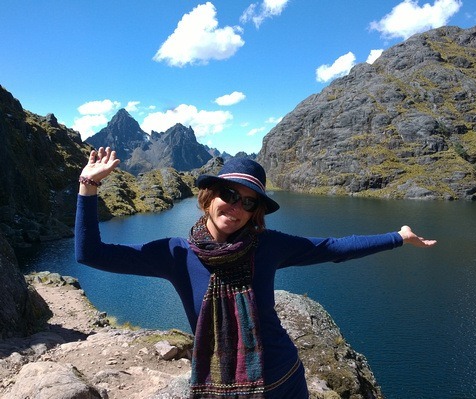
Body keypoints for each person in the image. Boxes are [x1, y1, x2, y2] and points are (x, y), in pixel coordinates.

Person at [75, 147, 437, 399]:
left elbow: (332, 249)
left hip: (283, 380)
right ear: (209, 195)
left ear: (255, 212)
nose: (236, 206)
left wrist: (398, 237)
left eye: (249, 202)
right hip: (223, 387)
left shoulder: (267, 246)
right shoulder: (174, 254)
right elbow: (90, 254)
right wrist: (88, 186)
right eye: (229, 193)